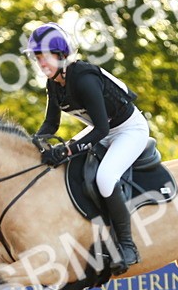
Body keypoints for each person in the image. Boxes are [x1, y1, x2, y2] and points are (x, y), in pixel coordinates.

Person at [26, 22, 148, 273]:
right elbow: (51, 123)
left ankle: (126, 245)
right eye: (37, 59)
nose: (41, 64)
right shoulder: (53, 84)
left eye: (45, 57)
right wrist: (32, 145)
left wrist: (68, 150)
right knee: (65, 170)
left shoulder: (83, 77)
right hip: (103, 131)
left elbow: (102, 129)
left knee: (105, 178)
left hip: (128, 129)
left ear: (60, 55)